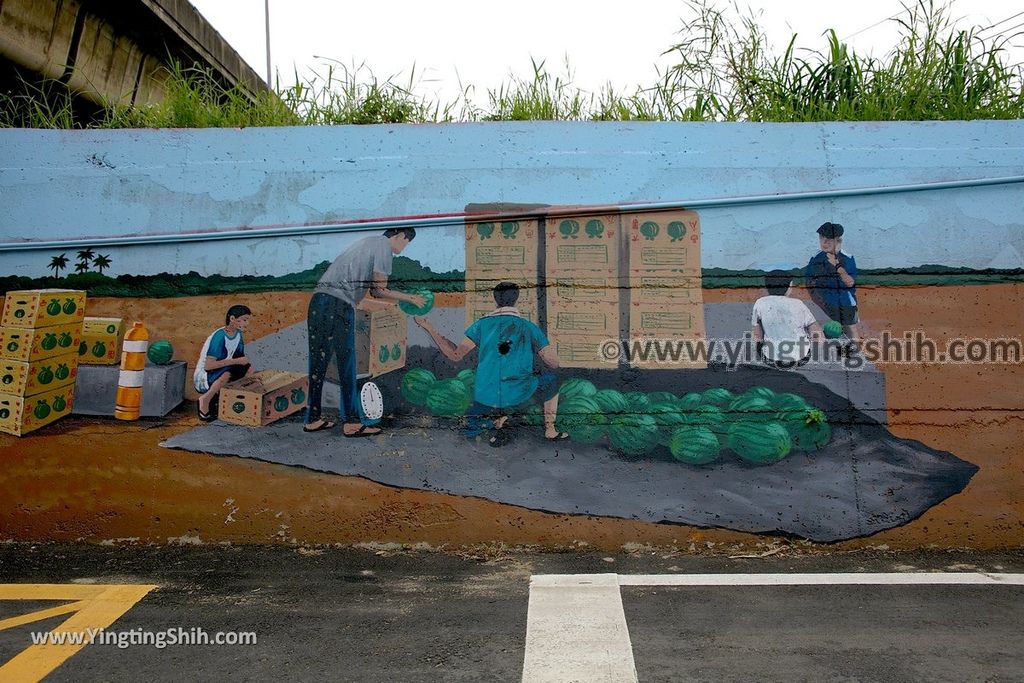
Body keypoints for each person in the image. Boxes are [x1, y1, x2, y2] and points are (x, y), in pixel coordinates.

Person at [304, 228, 425, 437]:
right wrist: (409, 298)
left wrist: (386, 306)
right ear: (400, 236)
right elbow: (379, 290)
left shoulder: (364, 244)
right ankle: (351, 423)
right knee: (347, 362)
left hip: (319, 301)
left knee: (318, 362)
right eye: (406, 243)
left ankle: (312, 419)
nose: (403, 249)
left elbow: (360, 297)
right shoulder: (383, 246)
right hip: (338, 305)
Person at [414, 282, 566, 447]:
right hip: (519, 391)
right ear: (516, 300)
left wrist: (429, 327)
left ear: (495, 299)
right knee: (551, 380)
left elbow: (455, 355)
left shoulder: (481, 325)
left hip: (486, 394)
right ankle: (550, 430)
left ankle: (496, 422)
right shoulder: (529, 327)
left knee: (470, 428)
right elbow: (554, 363)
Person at [805, 221, 861, 347]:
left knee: (850, 330)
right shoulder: (816, 258)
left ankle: (856, 353)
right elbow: (809, 282)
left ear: (838, 240)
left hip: (845, 303)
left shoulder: (847, 258)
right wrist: (818, 300)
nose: (824, 243)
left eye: (829, 239)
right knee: (825, 332)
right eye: (821, 238)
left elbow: (850, 283)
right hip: (822, 303)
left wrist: (838, 266)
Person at [193, 304, 254, 422]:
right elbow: (208, 366)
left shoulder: (238, 334)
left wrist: (242, 363)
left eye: (248, 320)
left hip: (223, 368)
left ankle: (232, 401)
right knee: (227, 374)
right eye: (244, 320)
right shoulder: (219, 336)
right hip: (205, 376)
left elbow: (239, 357)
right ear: (232, 319)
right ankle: (205, 400)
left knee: (249, 369)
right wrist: (237, 361)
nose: (247, 323)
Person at [751, 271, 823, 368]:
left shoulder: (760, 303)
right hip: (801, 358)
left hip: (770, 359)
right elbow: (817, 335)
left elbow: (757, 335)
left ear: (767, 287)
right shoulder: (799, 304)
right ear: (789, 286)